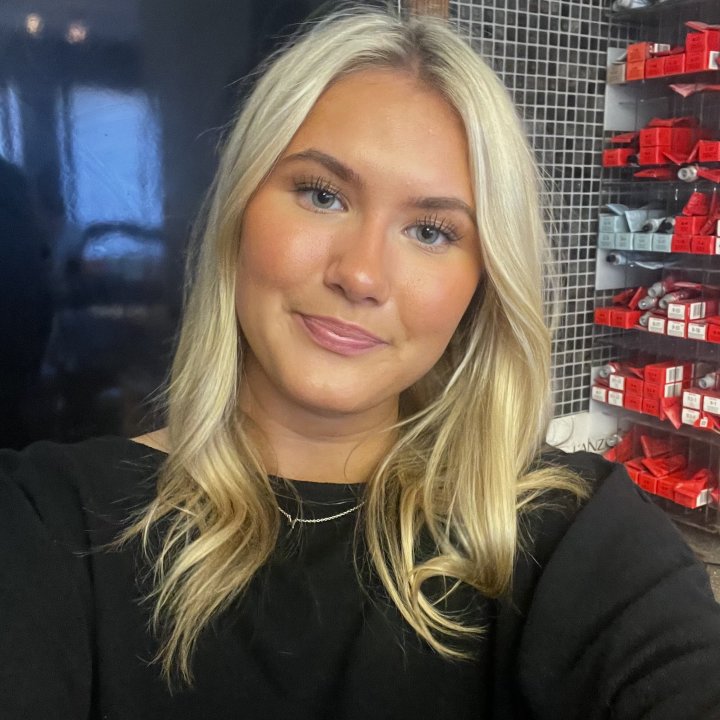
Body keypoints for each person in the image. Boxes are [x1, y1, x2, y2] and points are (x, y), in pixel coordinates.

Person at [1, 7, 720, 720]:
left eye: (431, 231)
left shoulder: (576, 537)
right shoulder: (46, 521)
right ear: (239, 210)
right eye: (322, 195)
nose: (361, 275)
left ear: (482, 284)